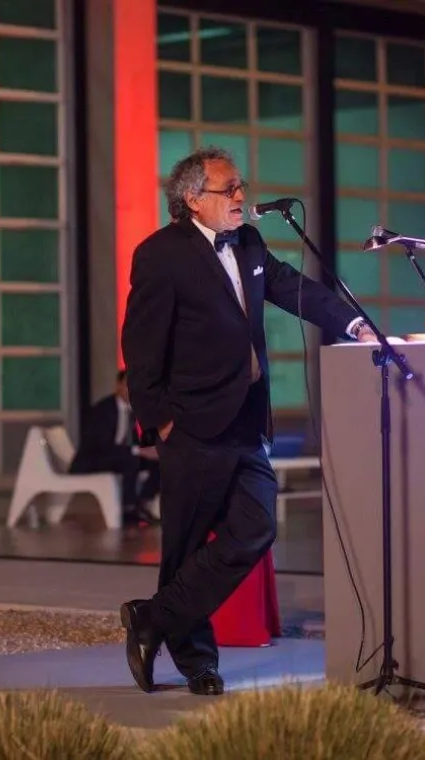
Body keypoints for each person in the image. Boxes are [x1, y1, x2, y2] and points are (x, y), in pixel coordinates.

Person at [118, 146, 375, 696]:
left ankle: (153, 617)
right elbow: (140, 346)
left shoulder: (252, 243)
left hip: (245, 420)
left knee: (257, 526)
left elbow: (295, 289)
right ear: (192, 198)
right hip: (191, 423)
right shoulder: (161, 254)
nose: (241, 197)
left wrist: (355, 324)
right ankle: (197, 662)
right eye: (228, 188)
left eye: (241, 186)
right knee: (185, 547)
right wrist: (159, 420)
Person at [69, 369, 160, 526]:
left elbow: (139, 440)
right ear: (118, 386)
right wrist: (138, 451)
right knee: (130, 459)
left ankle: (144, 501)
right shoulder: (103, 410)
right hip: (93, 459)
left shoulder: (135, 411)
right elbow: (100, 445)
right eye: (128, 385)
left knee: (160, 460)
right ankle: (128, 508)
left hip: (119, 457)